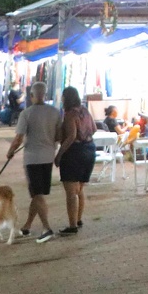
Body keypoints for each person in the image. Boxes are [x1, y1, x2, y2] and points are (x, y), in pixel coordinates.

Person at [7, 81, 60, 243]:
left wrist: (10, 151)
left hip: (32, 158)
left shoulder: (26, 113)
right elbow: (58, 136)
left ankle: (46, 228)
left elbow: (19, 137)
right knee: (38, 193)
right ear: (45, 94)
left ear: (31, 95)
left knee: (37, 194)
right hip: (48, 156)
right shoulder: (55, 112)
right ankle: (27, 226)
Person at [55, 86, 97, 236]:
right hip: (90, 150)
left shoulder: (70, 115)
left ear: (66, 98)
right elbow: (94, 128)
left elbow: (71, 136)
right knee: (80, 189)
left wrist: (59, 154)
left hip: (75, 153)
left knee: (71, 192)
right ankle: (78, 219)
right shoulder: (85, 110)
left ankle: (72, 225)